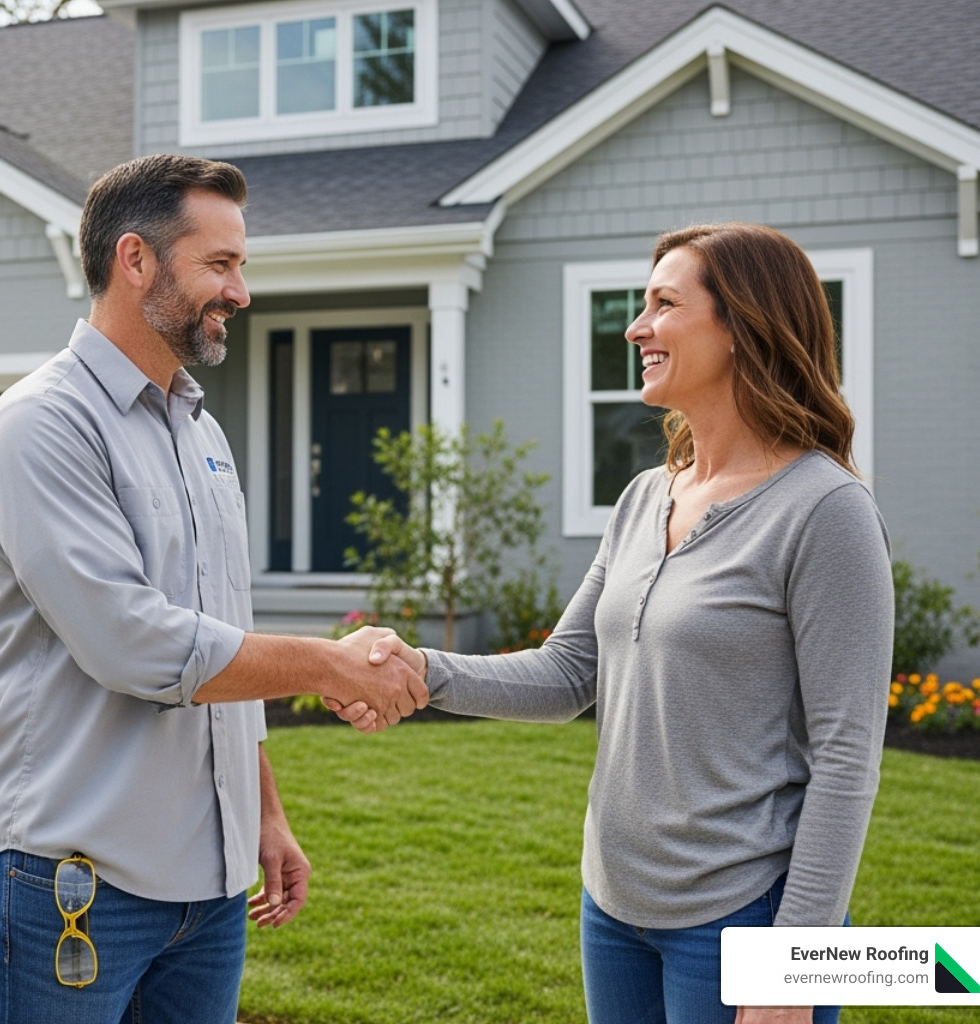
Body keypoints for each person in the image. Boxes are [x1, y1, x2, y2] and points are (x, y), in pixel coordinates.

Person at [338, 222, 893, 1024]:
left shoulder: (824, 509)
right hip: (614, 904)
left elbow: (847, 755)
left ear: (742, 328)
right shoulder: (644, 497)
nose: (636, 328)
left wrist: (794, 967)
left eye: (664, 305)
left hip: (741, 913)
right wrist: (420, 671)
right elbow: (570, 674)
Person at [0, 153, 427, 1024]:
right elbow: (134, 644)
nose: (241, 292)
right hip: (74, 885)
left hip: (208, 893)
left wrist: (264, 813)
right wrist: (330, 665)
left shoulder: (200, 431)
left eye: (240, 265)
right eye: (220, 265)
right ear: (134, 260)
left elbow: (222, 636)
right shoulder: (43, 425)